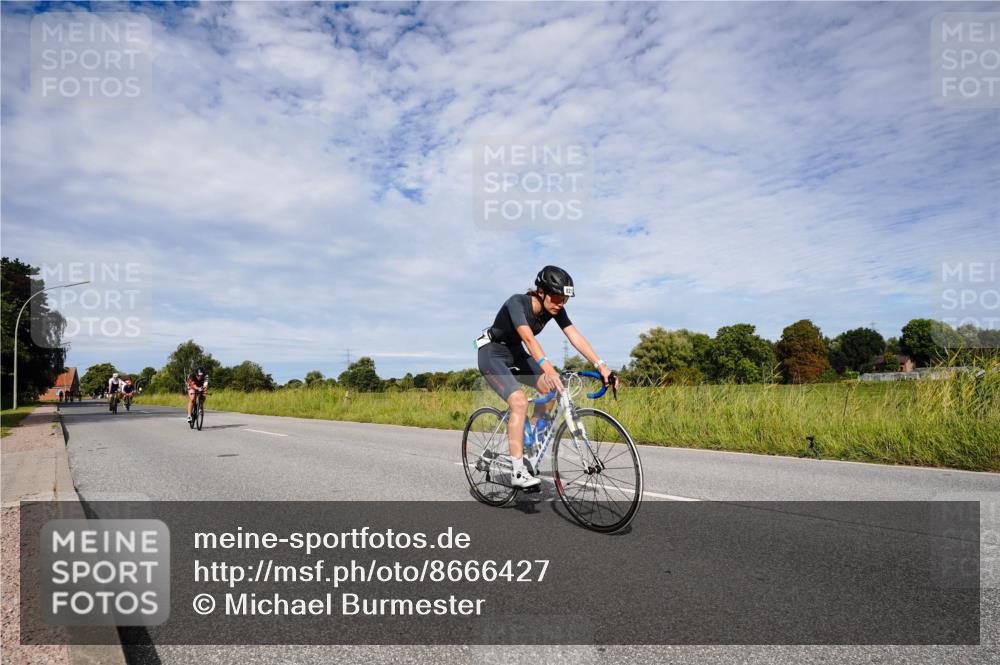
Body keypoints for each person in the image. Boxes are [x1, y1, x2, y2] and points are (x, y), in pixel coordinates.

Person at [476, 266, 618, 489]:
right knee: (519, 402)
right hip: (492, 352)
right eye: (557, 297)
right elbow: (529, 340)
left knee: (552, 390)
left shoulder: (555, 309)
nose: (561, 303)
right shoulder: (517, 303)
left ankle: (528, 447)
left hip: (516, 353)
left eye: (565, 299)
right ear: (541, 292)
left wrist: (601, 366)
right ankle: (517, 472)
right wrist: (549, 369)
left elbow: (575, 336)